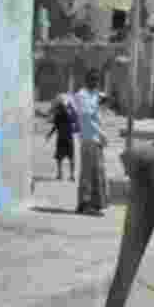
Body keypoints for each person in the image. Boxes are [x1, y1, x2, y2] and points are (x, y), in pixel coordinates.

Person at [75, 69, 109, 215]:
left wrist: (103, 99)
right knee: (88, 172)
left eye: (97, 80)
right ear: (87, 80)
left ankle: (94, 204)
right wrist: (102, 134)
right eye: (93, 79)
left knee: (98, 172)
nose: (95, 82)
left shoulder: (94, 95)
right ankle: (85, 204)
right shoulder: (82, 96)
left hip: (96, 139)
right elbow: (86, 119)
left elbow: (102, 102)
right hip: (89, 139)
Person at [47, 94, 78, 181]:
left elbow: (55, 126)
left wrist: (49, 135)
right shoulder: (67, 114)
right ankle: (70, 175)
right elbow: (75, 119)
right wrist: (71, 107)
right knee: (69, 157)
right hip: (68, 138)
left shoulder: (60, 115)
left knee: (60, 158)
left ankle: (61, 174)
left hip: (62, 138)